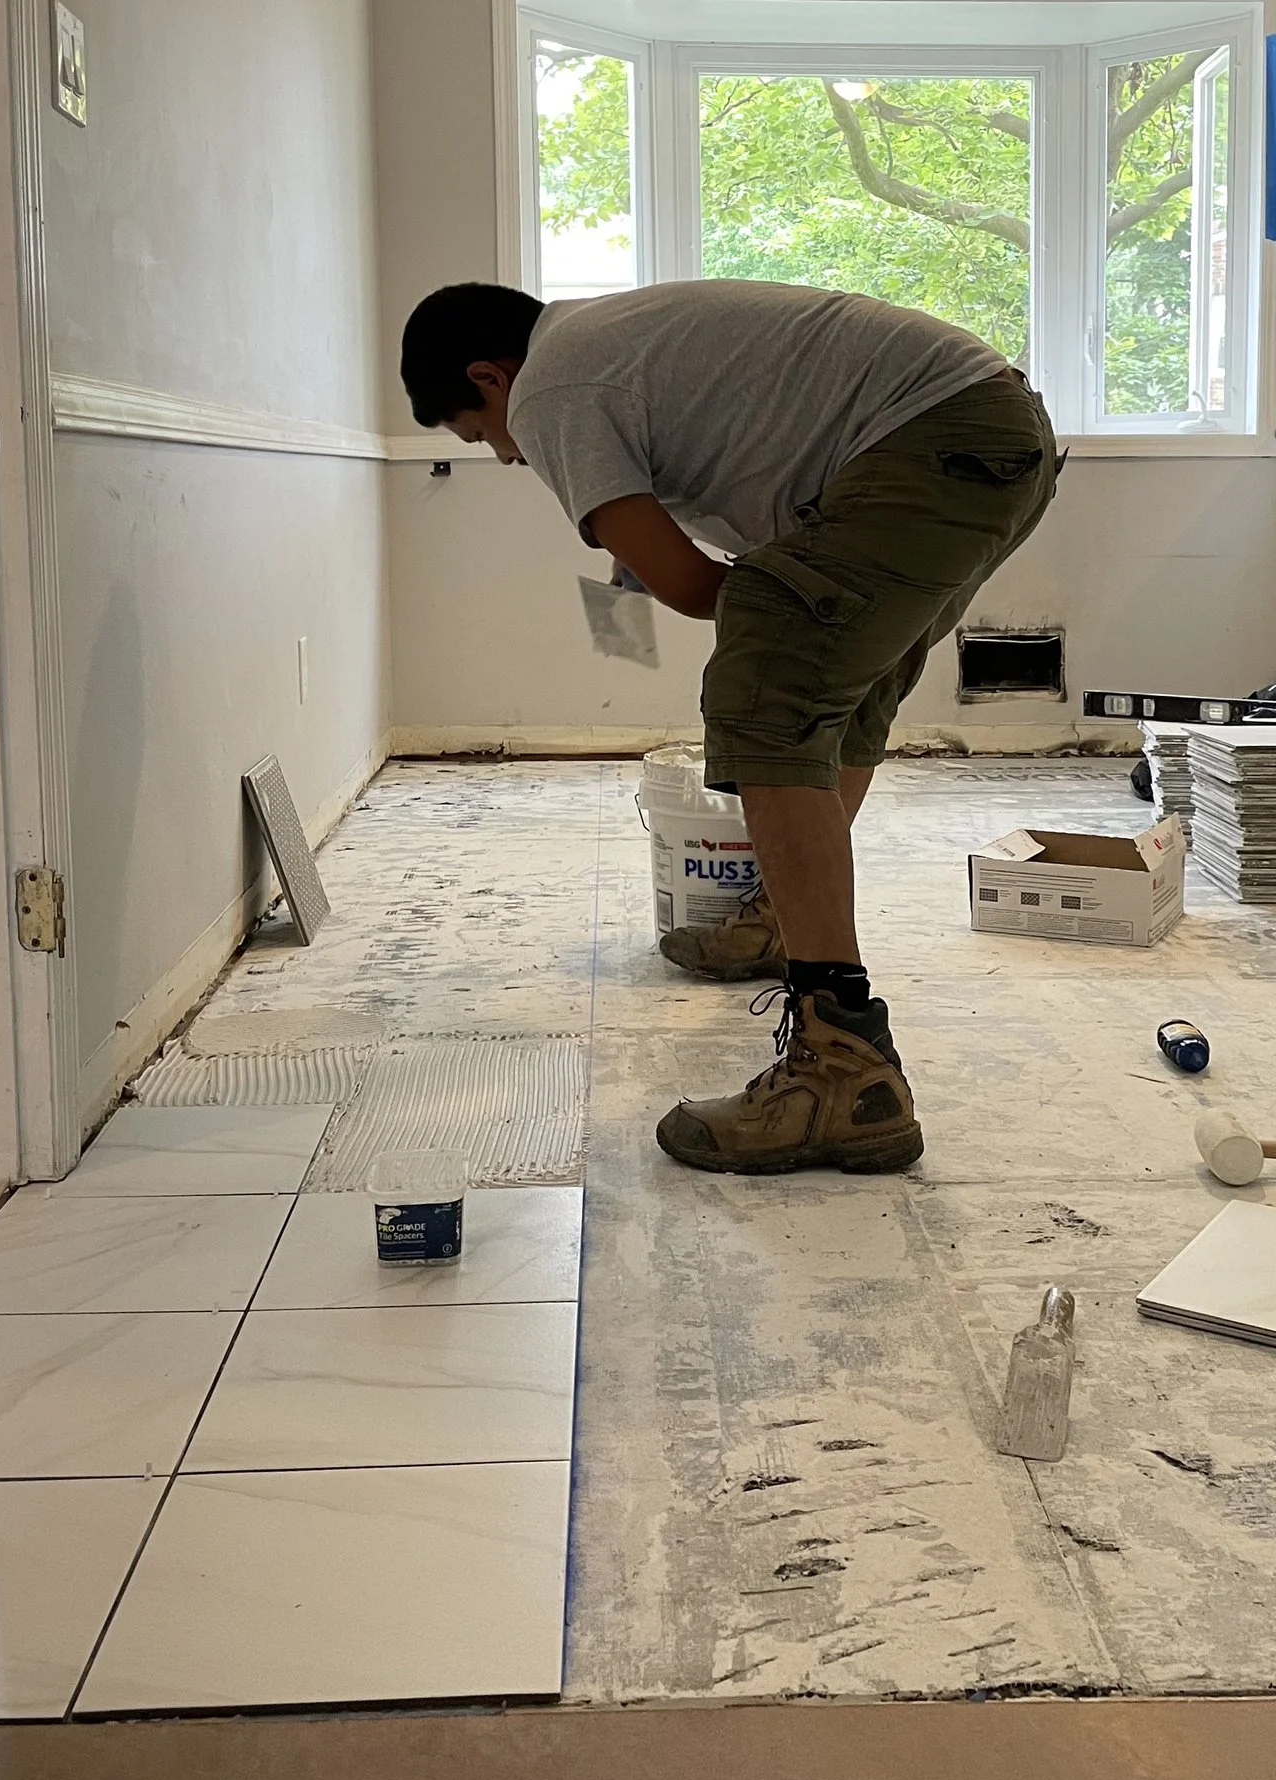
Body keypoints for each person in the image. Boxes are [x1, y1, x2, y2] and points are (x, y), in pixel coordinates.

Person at [399, 280, 1059, 1174]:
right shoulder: (608, 340)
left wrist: (761, 610)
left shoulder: (551, 384)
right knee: (840, 687)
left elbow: (692, 586)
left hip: (933, 439)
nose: (510, 458)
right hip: (991, 429)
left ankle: (842, 1071)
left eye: (483, 433)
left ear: (489, 375)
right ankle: (790, 922)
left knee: (770, 695)